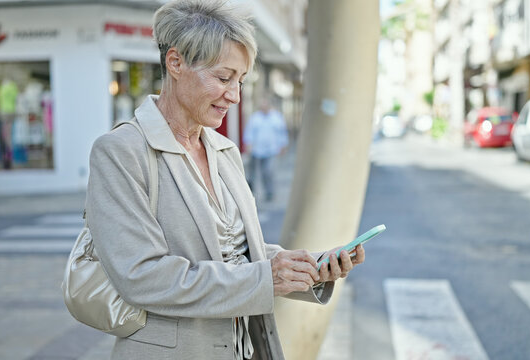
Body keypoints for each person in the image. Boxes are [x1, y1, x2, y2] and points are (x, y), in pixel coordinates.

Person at [85, 1, 365, 359]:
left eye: (241, 81)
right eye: (223, 78)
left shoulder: (223, 150)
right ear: (176, 63)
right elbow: (142, 276)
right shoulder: (120, 152)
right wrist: (266, 278)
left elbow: (234, 253)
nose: (234, 95)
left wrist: (309, 267)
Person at [243, 97, 288, 201]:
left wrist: (283, 145)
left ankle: (269, 192)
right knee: (253, 172)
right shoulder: (255, 118)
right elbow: (249, 132)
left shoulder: (277, 117)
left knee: (267, 171)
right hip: (256, 149)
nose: (264, 107)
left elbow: (282, 132)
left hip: (271, 150)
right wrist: (248, 144)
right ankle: (251, 191)